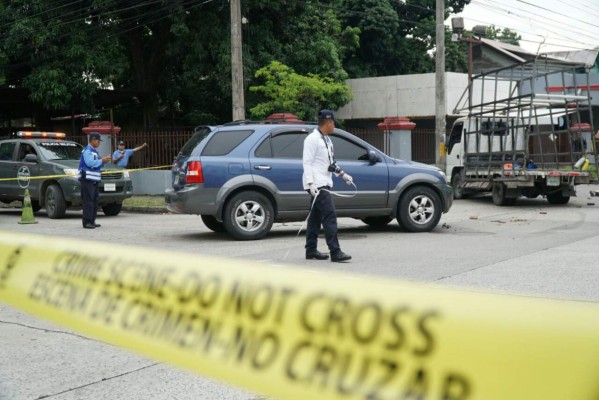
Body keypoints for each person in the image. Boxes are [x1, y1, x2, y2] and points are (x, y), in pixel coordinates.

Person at [302, 109, 353, 262]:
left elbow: (331, 163)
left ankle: (310, 250)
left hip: (324, 182)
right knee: (329, 215)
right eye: (333, 123)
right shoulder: (312, 139)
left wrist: (343, 175)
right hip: (317, 185)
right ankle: (335, 252)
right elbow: (307, 162)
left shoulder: (327, 140)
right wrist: (311, 183)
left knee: (315, 218)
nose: (334, 125)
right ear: (329, 123)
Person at [79, 132, 111, 229]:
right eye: (98, 141)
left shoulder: (95, 152)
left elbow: (97, 164)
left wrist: (104, 161)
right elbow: (90, 163)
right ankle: (86, 222)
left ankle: (92, 221)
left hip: (94, 180)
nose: (99, 143)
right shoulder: (87, 151)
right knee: (88, 201)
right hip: (87, 180)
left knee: (95, 201)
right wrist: (102, 160)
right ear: (93, 140)